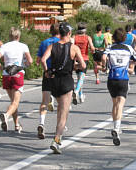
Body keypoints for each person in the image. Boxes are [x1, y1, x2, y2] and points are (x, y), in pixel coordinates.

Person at [41, 22, 86, 154]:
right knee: (64, 113)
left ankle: (57, 134)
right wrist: (74, 66)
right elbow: (82, 65)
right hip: (66, 81)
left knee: (60, 108)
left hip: (54, 80)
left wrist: (47, 71)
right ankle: (57, 139)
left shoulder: (52, 46)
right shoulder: (74, 48)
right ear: (69, 33)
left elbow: (43, 60)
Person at [101, 28, 136, 146]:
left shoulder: (110, 48)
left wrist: (105, 66)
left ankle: (115, 125)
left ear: (113, 38)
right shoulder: (129, 48)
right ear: (124, 38)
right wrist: (131, 66)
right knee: (120, 104)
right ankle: (117, 128)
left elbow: (103, 57)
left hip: (111, 78)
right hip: (123, 78)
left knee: (114, 103)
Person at [0, 27, 33, 133]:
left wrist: (1, 67)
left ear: (10, 36)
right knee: (15, 102)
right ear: (18, 36)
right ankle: (6, 115)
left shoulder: (4, 46)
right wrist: (26, 64)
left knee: (13, 102)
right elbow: (30, 60)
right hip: (18, 74)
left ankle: (16, 125)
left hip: (6, 75)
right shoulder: (23, 46)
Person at [36, 24, 60, 139]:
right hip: (59, 74)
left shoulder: (44, 43)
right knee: (62, 103)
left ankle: (41, 122)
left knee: (44, 101)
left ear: (50, 31)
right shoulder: (62, 42)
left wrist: (46, 70)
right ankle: (60, 126)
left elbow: (39, 60)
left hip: (47, 73)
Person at [73, 22, 95, 104]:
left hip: (76, 59)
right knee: (81, 77)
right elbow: (92, 48)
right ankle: (76, 90)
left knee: (79, 78)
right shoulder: (87, 37)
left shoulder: (74, 37)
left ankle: (81, 96)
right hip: (84, 58)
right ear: (85, 30)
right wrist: (92, 50)